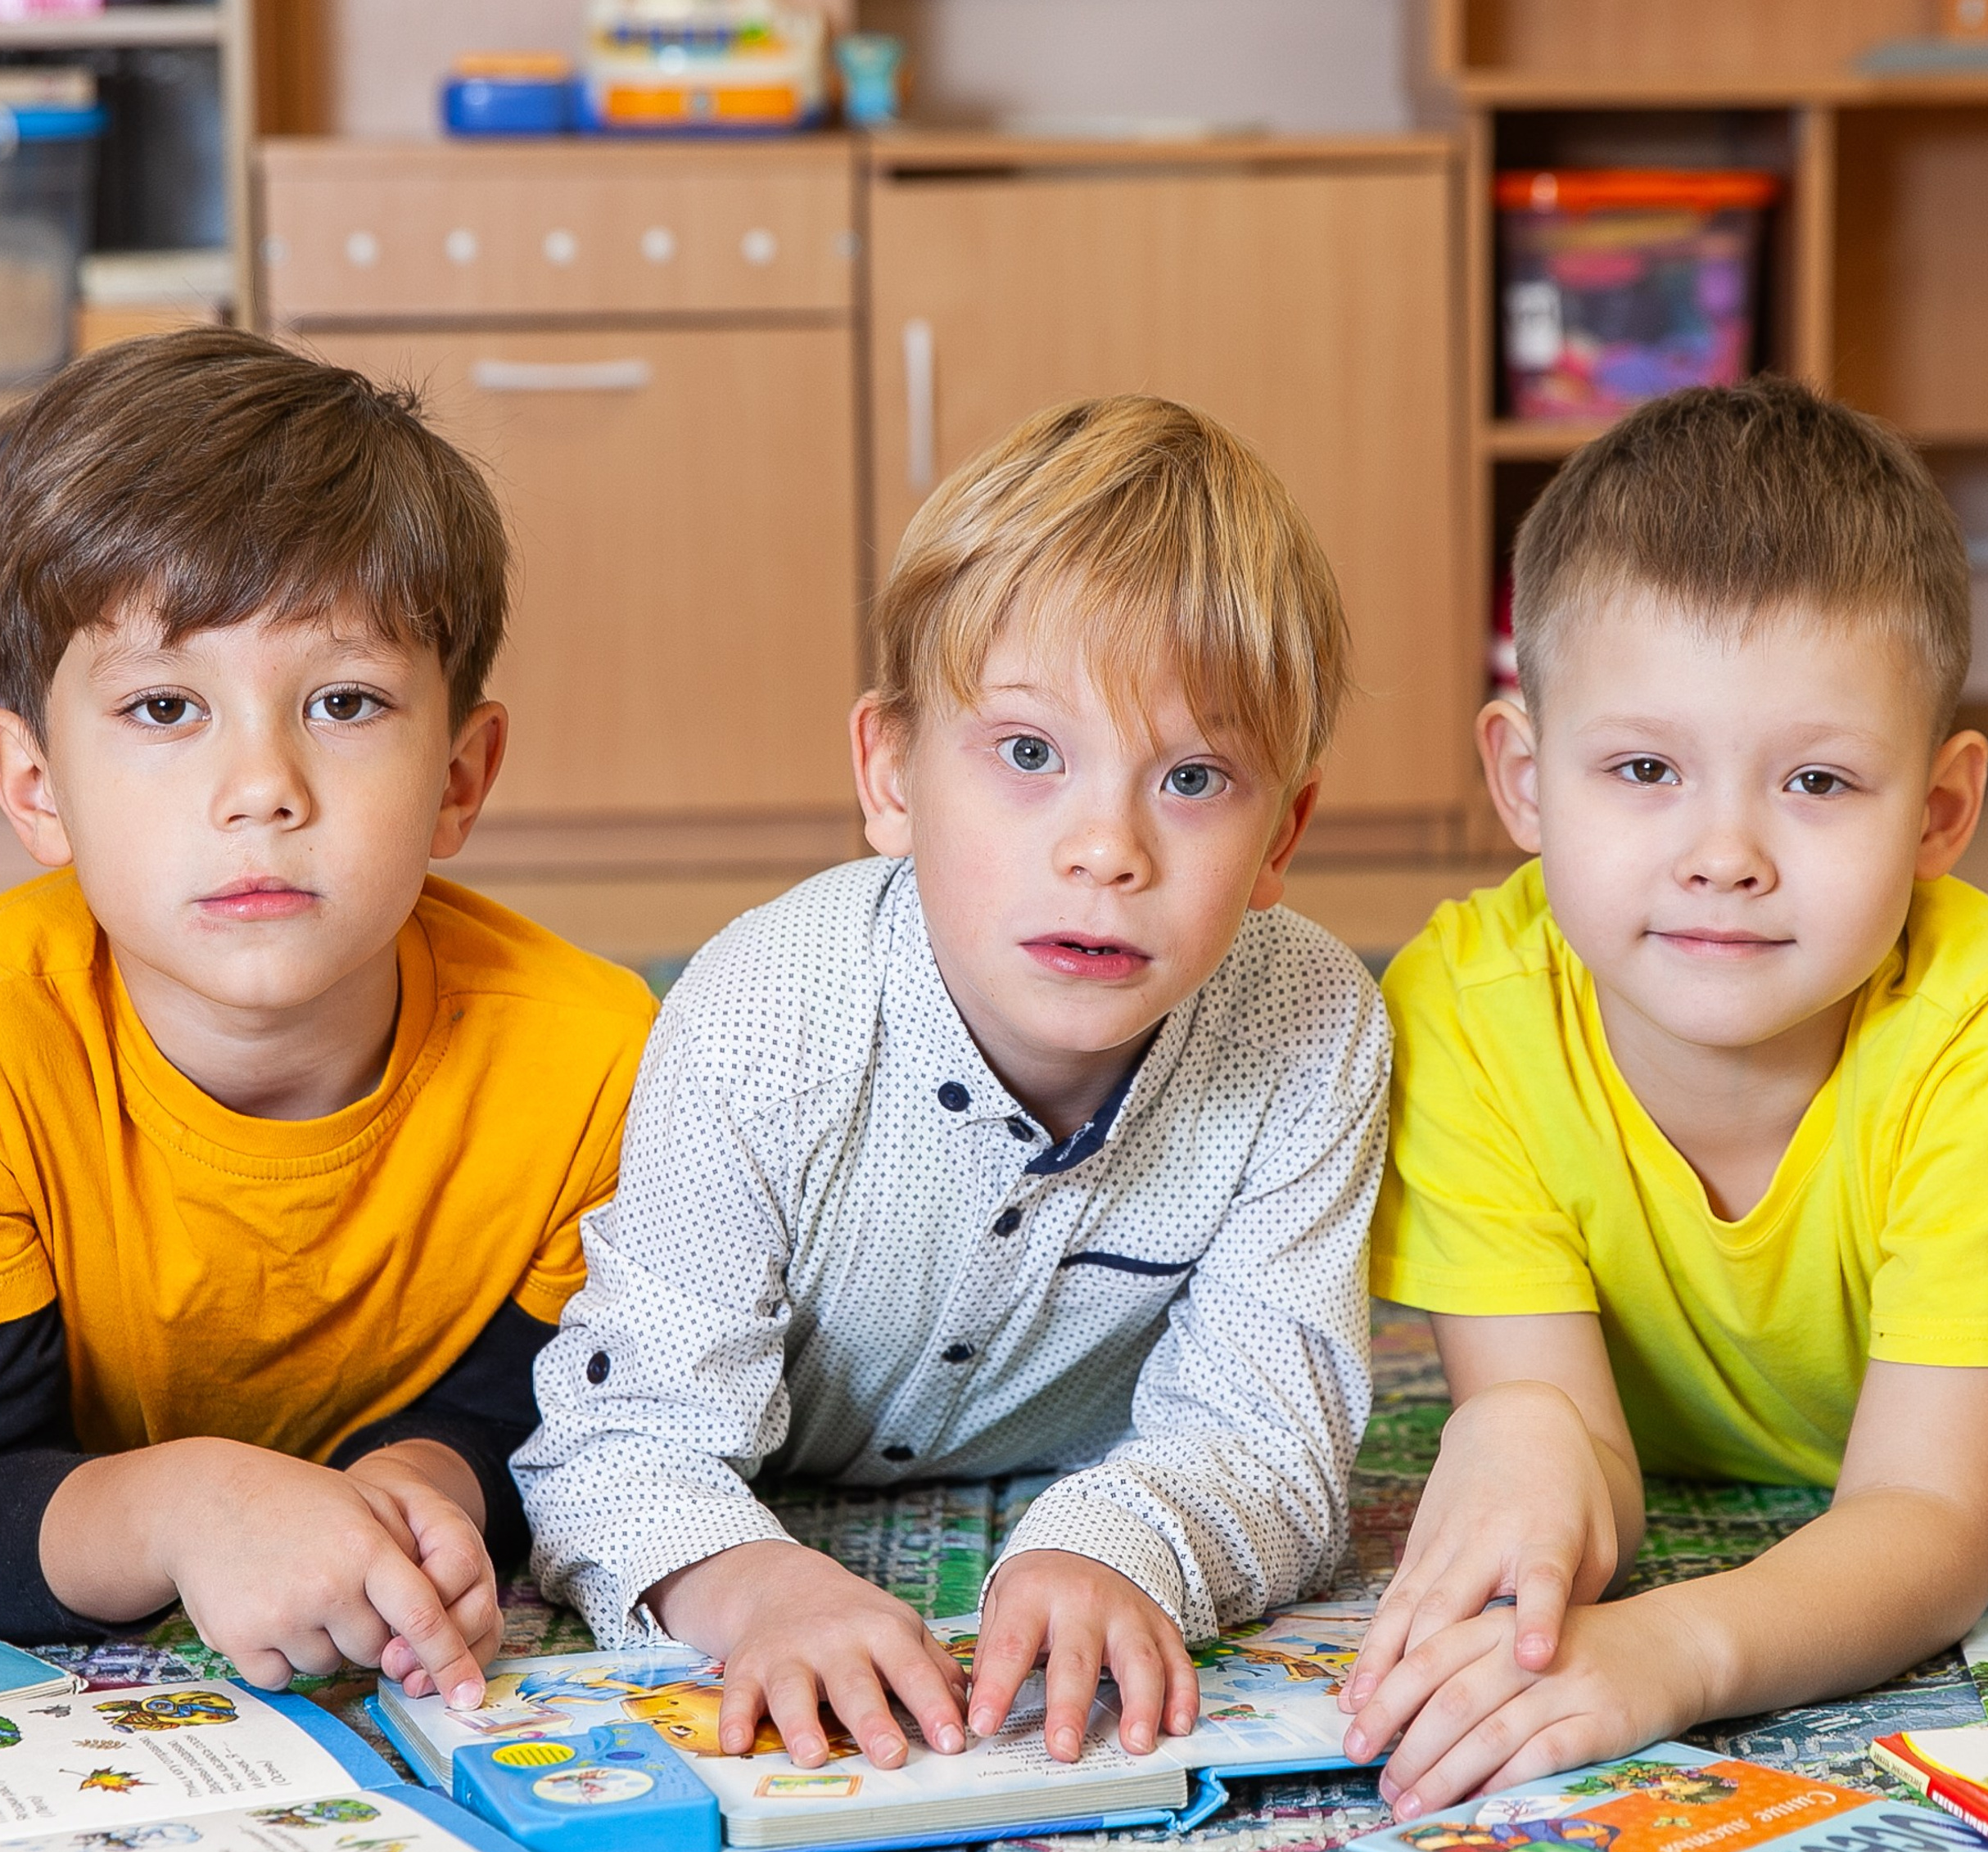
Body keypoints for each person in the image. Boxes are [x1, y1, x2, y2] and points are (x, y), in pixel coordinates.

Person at [516, 395, 1389, 1773]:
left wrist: (1115, 1544)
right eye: (1029, 754)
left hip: (1081, 1482)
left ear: (1283, 834)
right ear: (891, 773)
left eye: (1194, 778)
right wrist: (752, 1586)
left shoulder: (1314, 1028)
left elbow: (1272, 1440)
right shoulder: (760, 1013)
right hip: (762, 1471)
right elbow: (612, 1442)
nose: (1106, 849)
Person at [1342, 377, 1988, 1812]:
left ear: (1938, 813)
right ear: (1525, 779)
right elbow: (1583, 1463)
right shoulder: (1463, 1014)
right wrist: (1516, 1443)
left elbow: (1929, 1524)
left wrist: (1672, 1652)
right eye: (1645, 768)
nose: (1725, 854)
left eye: (1817, 782)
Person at [0, 330, 656, 1706]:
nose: (263, 788)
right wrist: (185, 1510)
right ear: (36, 786)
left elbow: (551, 1410)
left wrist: (431, 1483)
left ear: (460, 777)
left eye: (343, 702)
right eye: (165, 706)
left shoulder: (596, 1066)